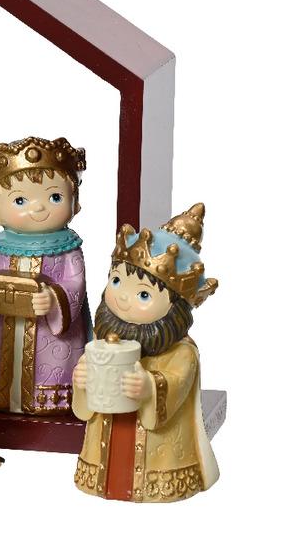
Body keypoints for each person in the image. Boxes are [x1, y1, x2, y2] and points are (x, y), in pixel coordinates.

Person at [72, 204, 219, 502]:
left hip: (158, 456)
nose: (123, 299)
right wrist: (82, 379)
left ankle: (154, 485)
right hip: (106, 441)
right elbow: (85, 399)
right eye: (116, 281)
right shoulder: (104, 339)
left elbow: (176, 383)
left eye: (143, 294)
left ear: (175, 307)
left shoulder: (182, 353)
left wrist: (150, 387)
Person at [0, 136, 89, 414]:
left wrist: (53, 299)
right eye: (20, 200)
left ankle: (47, 397)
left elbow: (75, 284)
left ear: (75, 204)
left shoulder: (68, 249)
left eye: (55, 197)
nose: (38, 207)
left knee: (50, 363)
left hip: (50, 337)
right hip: (2, 327)